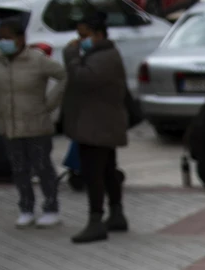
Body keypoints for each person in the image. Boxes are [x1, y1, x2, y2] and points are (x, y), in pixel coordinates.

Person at [0, 19, 65, 228]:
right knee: (19, 169)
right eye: (1, 38)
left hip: (36, 124)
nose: (4, 42)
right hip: (9, 124)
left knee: (42, 167)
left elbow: (62, 76)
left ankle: (51, 208)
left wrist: (49, 104)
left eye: (8, 37)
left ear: (21, 38)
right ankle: (26, 208)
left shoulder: (37, 59)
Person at [62, 8, 130, 243]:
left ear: (98, 34)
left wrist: (70, 54)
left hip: (97, 125)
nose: (79, 41)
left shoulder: (105, 57)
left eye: (84, 35)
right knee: (108, 169)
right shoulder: (102, 54)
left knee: (94, 174)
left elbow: (81, 78)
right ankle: (116, 214)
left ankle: (96, 220)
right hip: (99, 123)